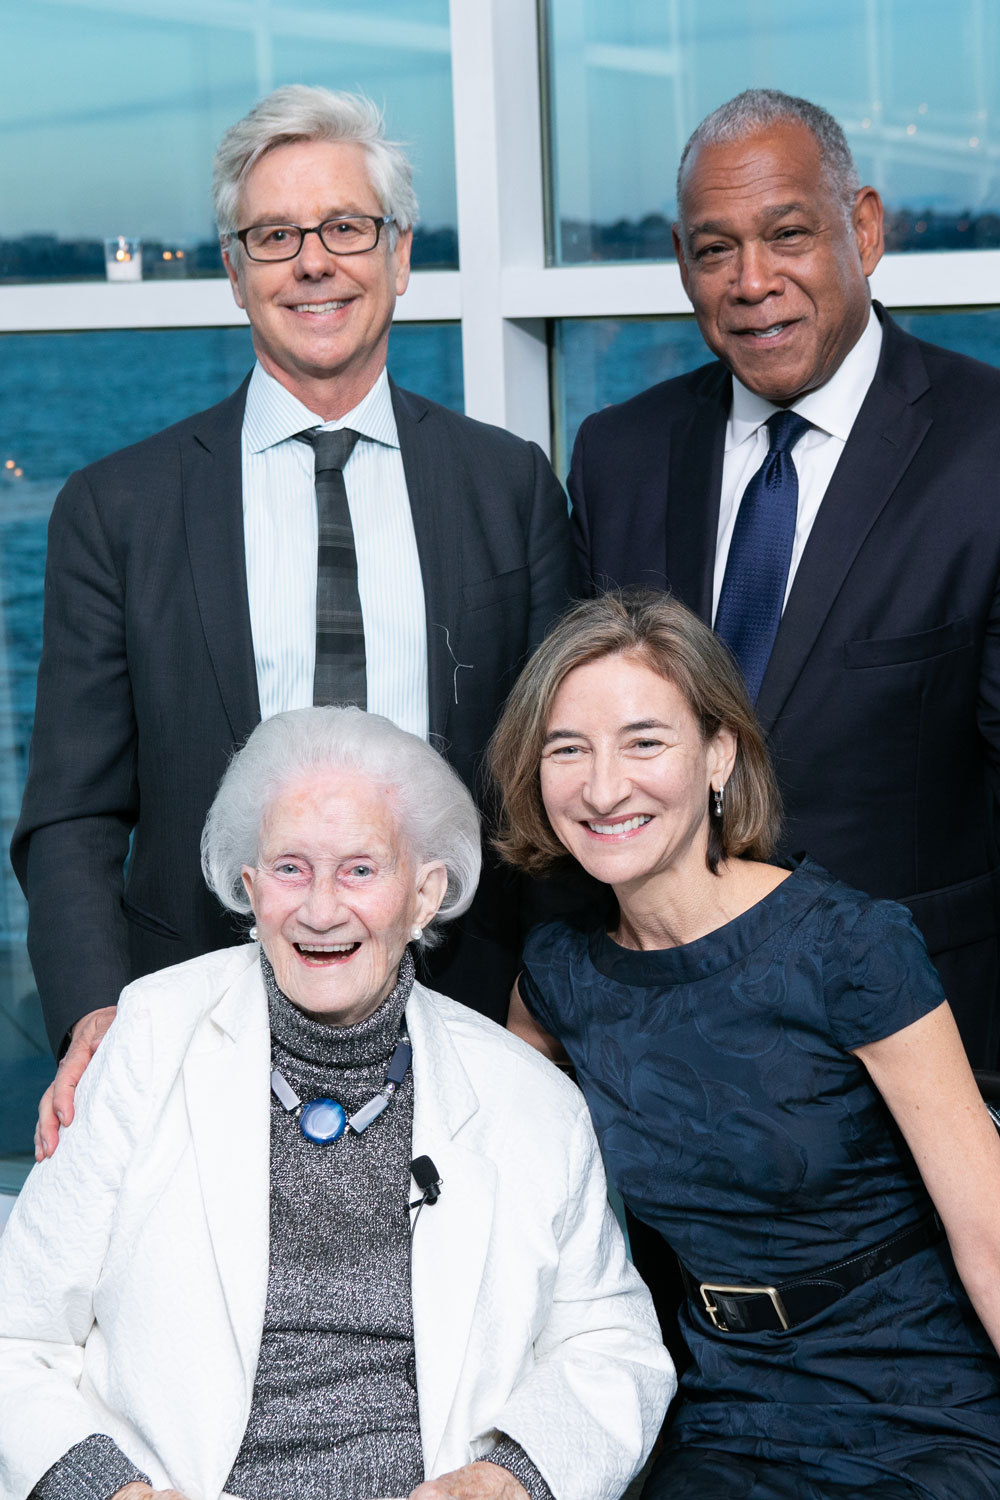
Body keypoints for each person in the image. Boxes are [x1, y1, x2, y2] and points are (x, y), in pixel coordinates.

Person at [12, 84, 576, 1155]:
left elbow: (549, 794)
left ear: (399, 257)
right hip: (197, 1025)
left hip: (472, 1019)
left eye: (345, 228)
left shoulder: (509, 488)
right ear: (234, 270)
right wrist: (98, 1017)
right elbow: (73, 814)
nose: (313, 261)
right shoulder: (118, 509)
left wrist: (542, 1011)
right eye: (274, 235)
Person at [0, 706, 672, 1500]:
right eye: (290, 869)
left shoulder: (527, 1098)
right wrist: (115, 1494)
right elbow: (18, 1332)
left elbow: (612, 1346)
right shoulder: (149, 1041)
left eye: (359, 870)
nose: (320, 910)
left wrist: (508, 1480)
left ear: (425, 896)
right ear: (249, 890)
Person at [489, 590, 1000, 1499]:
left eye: (645, 742)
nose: (604, 787)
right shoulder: (559, 980)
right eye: (568, 749)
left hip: (924, 1410)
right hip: (725, 1411)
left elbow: (990, 1237)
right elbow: (492, 1196)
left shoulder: (848, 945)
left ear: (719, 755)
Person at [568, 87, 1000, 1068]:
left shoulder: (986, 450)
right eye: (715, 249)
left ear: (864, 229)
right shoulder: (616, 456)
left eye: (787, 234)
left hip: (920, 1051)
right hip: (658, 1051)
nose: (751, 280)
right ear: (683, 265)